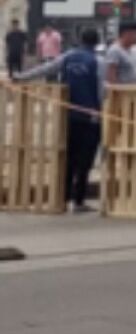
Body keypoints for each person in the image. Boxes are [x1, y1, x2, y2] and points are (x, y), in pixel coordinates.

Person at [15, 28, 104, 213]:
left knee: (69, 158)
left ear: (80, 39)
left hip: (68, 116)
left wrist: (20, 77)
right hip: (91, 119)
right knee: (85, 161)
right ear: (97, 42)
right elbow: (102, 91)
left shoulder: (68, 57)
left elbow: (45, 69)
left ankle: (63, 198)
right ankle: (78, 201)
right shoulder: (98, 61)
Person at [106, 21, 136, 85]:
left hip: (131, 92)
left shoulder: (130, 50)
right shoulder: (115, 50)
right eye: (135, 34)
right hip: (121, 92)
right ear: (126, 33)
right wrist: (116, 93)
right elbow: (111, 76)